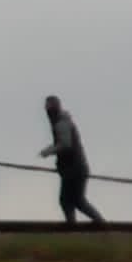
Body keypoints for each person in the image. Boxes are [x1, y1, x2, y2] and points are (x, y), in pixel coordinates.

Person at [38, 95, 105, 226]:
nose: (46, 109)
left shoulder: (61, 123)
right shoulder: (62, 121)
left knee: (72, 200)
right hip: (75, 168)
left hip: (74, 169)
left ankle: (95, 224)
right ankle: (80, 225)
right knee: (72, 200)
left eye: (49, 106)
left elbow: (65, 144)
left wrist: (48, 151)